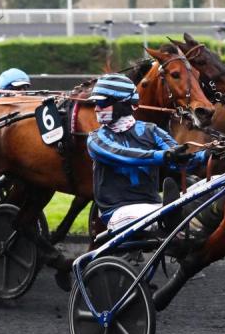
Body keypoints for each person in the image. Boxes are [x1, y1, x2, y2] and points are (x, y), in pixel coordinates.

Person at [86, 73, 207, 232]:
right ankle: (174, 217)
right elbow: (124, 155)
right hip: (117, 211)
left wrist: (208, 154)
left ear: (124, 104)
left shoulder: (152, 131)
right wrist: (164, 156)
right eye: (96, 102)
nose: (96, 108)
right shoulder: (96, 139)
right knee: (168, 213)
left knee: (213, 187)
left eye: (102, 102)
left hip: (153, 205)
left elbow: (181, 162)